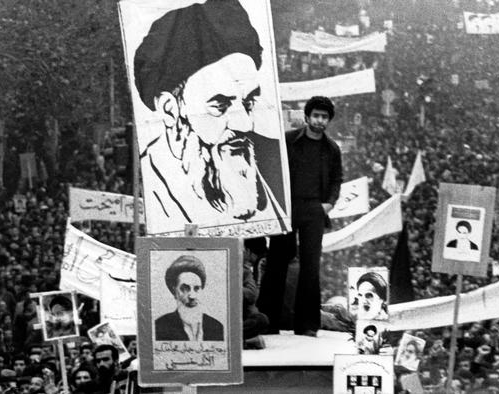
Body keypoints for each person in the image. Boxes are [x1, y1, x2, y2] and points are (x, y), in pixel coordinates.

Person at [132, 0, 287, 233]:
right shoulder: (150, 188)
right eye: (220, 106)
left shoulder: (273, 160)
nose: (245, 124)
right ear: (170, 109)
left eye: (249, 102)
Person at [257, 96, 343, 337]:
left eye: (324, 117)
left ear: (328, 121)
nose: (319, 121)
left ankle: (306, 325)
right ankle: (268, 320)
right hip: (287, 208)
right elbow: (271, 168)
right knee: (277, 261)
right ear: (307, 117)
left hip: (314, 210)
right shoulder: (288, 140)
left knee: (310, 266)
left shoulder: (332, 148)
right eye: (316, 116)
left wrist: (328, 204)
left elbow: (337, 179)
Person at [154, 255, 224, 341]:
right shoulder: (160, 326)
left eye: (196, 288)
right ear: (174, 291)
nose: (192, 296)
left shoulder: (216, 327)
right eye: (185, 288)